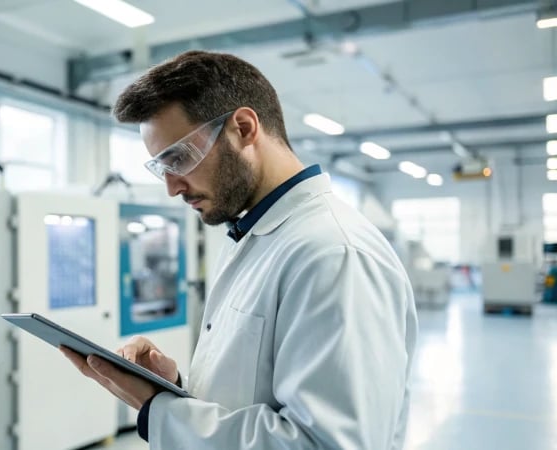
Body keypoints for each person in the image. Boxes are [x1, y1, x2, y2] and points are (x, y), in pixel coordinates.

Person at [61, 50, 418, 449]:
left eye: (179, 157)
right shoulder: (253, 237)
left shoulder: (334, 254)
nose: (173, 187)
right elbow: (250, 396)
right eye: (162, 168)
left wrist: (159, 409)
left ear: (244, 128)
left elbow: (327, 443)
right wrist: (174, 389)